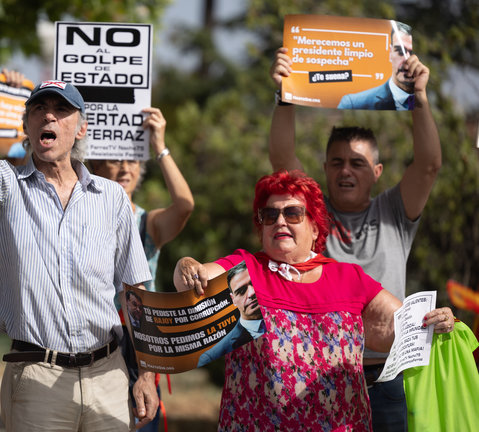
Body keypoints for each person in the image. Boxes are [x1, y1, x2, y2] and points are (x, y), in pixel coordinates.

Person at [0, 35, 158, 431]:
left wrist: (146, 374)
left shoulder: (111, 197)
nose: (49, 117)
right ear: (26, 125)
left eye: (61, 110)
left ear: (81, 127)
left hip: (109, 373)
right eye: (39, 109)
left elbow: (136, 292)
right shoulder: (6, 186)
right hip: (36, 379)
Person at [174, 170, 455, 431]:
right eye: (270, 215)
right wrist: (186, 266)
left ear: (316, 228)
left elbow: (405, 328)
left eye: (293, 213)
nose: (280, 221)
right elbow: (197, 282)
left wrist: (437, 320)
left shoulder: (348, 278)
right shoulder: (246, 270)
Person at [270, 43, 442, 431]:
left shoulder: (395, 211)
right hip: (318, 377)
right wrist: (284, 94)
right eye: (337, 162)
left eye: (358, 163)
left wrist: (420, 97)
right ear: (326, 169)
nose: (346, 170)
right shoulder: (310, 215)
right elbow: (282, 160)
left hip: (385, 378)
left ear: (378, 171)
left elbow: (429, 165)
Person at [89, 107, 194, 292]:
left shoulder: (148, 223)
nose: (125, 169)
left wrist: (159, 147)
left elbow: (184, 206)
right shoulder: (81, 216)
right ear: (96, 166)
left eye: (132, 160)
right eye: (115, 161)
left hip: (140, 320)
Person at [196, 261, 265, 367]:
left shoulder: (285, 316)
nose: (251, 293)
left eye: (254, 283)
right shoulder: (214, 354)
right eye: (241, 291)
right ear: (233, 299)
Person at [337, 22, 416, 110]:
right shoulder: (353, 103)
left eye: (411, 53)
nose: (407, 59)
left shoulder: (421, 96)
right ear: (390, 53)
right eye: (400, 51)